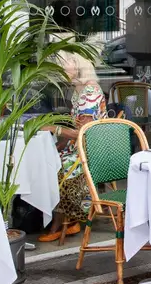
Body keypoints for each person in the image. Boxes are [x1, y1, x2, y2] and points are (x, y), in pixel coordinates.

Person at [39, 52, 107, 243]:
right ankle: (66, 218)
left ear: (78, 65)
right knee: (48, 158)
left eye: (63, 64)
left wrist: (54, 128)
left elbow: (83, 132)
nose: (59, 68)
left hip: (90, 150)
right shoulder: (79, 91)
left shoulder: (89, 92)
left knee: (56, 165)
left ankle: (61, 220)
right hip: (82, 147)